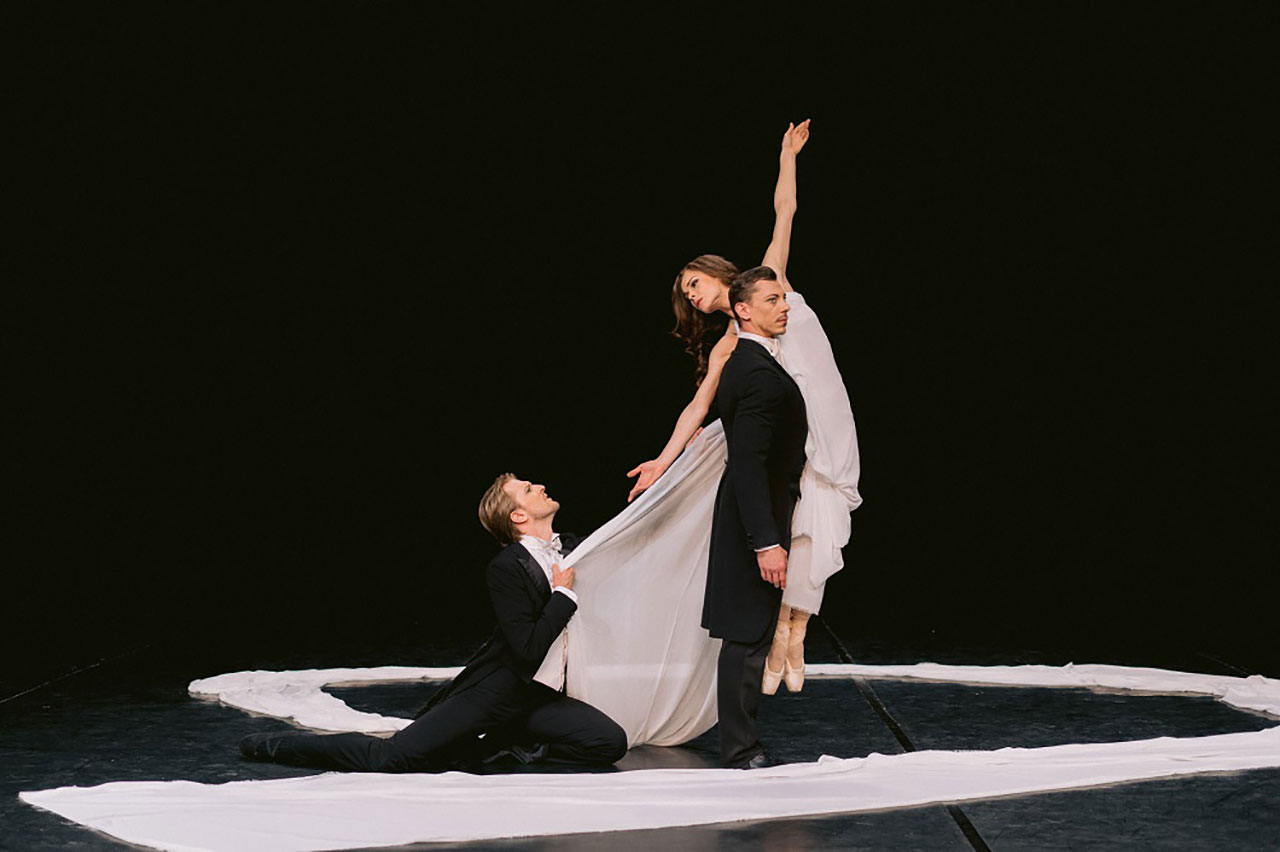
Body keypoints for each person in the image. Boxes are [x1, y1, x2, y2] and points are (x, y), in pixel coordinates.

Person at [627, 119, 862, 695]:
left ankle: (795, 624)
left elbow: (785, 210)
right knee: (806, 515)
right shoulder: (733, 340)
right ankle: (789, 628)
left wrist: (788, 156)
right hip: (797, 421)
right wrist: (662, 460)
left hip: (828, 404)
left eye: (693, 283)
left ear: (714, 272)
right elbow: (697, 405)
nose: (692, 296)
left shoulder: (769, 284)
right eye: (686, 295)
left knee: (832, 502)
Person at [238, 473, 628, 772]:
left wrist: (659, 487)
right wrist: (562, 597)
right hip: (496, 692)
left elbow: (629, 537)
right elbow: (526, 648)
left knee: (608, 743)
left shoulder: (572, 550)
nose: (540, 486)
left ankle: (490, 749)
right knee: (391, 757)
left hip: (538, 697)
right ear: (518, 515)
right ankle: (273, 745)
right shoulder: (506, 567)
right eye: (528, 489)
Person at [705, 266, 808, 768]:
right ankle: (741, 751)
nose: (784, 307)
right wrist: (765, 542)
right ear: (743, 310)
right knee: (746, 637)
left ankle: (742, 745)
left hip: (756, 514)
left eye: (783, 299)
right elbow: (748, 462)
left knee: (751, 632)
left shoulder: (755, 362)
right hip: (754, 521)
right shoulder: (755, 372)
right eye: (772, 300)